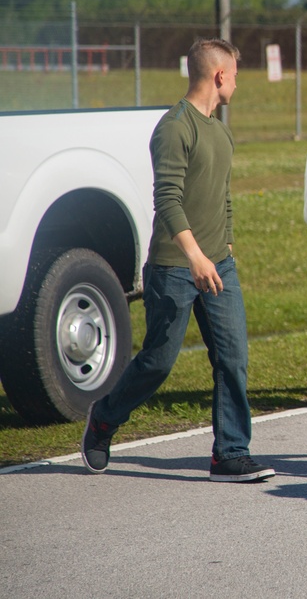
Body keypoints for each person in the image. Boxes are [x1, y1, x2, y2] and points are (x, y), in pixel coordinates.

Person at [81, 38, 274, 482]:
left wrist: (224, 248)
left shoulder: (220, 129)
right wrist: (195, 256)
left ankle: (230, 452)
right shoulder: (174, 127)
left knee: (232, 358)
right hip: (176, 265)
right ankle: (105, 418)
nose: (237, 83)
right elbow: (166, 199)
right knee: (159, 361)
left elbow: (221, 195)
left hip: (217, 264)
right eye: (236, 75)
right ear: (220, 75)